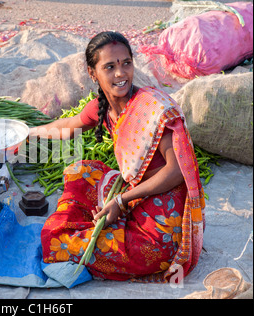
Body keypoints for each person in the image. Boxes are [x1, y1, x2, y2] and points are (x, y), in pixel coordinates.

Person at [28, 31, 206, 282]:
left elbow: (176, 171)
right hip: (133, 193)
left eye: (126, 63)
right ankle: (106, 222)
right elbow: (68, 125)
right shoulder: (102, 108)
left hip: (165, 206)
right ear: (93, 73)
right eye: (109, 67)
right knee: (81, 172)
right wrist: (29, 133)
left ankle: (98, 232)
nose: (120, 73)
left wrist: (121, 201)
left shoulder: (154, 108)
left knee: (149, 251)